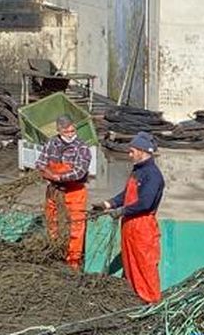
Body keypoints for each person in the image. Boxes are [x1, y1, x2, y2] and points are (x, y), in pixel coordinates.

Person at [93, 132, 165, 304]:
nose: (130, 155)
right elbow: (126, 195)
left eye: (132, 151)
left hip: (143, 226)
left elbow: (145, 203)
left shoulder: (153, 175)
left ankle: (151, 300)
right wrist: (107, 204)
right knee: (131, 263)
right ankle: (135, 299)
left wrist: (122, 211)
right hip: (129, 226)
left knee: (144, 265)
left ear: (142, 151)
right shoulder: (137, 171)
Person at [35, 115, 92, 269]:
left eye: (72, 130)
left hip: (75, 192)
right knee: (52, 223)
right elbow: (40, 163)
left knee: (75, 228)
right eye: (66, 131)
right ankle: (55, 255)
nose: (70, 134)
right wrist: (45, 172)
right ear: (58, 131)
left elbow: (79, 172)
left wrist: (58, 177)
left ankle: (73, 262)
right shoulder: (51, 143)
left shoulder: (82, 148)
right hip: (53, 191)